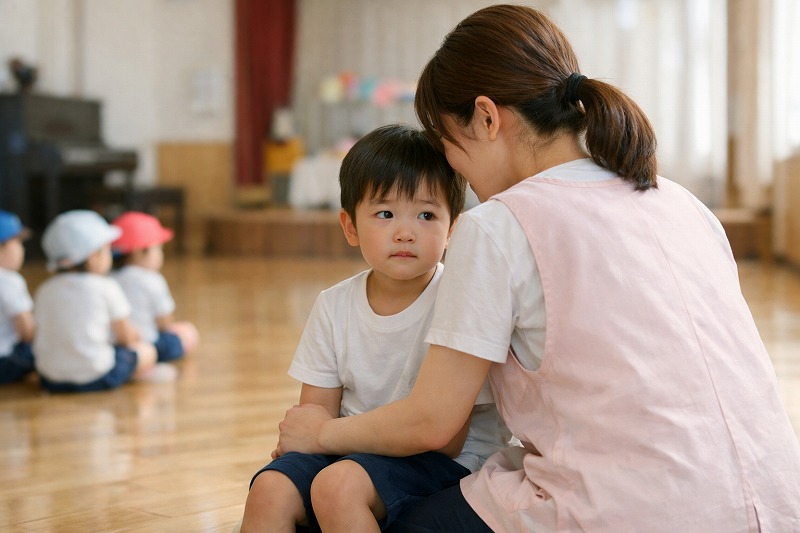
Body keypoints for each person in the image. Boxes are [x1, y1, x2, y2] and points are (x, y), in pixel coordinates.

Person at [276, 5, 800, 532]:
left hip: (631, 511)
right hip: (776, 503)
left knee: (370, 512)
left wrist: (318, 434)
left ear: (486, 117)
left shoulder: (499, 226)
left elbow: (433, 421)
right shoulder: (684, 203)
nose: (453, 166)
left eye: (447, 144)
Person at [239, 124, 511, 532]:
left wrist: (327, 437)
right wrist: (306, 440)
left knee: (339, 486)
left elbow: (445, 439)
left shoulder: (459, 299)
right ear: (350, 227)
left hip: (445, 462)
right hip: (348, 449)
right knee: (271, 488)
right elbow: (315, 415)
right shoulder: (333, 305)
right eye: (385, 214)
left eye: (426, 214)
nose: (405, 232)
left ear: (452, 228)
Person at [34, 210, 174, 393]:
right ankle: (139, 373)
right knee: (147, 351)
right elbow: (125, 337)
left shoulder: (44, 290)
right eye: (107, 249)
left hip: (50, 380)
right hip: (97, 377)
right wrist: (136, 336)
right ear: (93, 258)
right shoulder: (106, 287)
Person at [111, 211, 198, 362]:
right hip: (149, 343)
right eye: (159, 248)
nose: (161, 255)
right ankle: (151, 362)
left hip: (118, 344)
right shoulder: (153, 280)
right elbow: (164, 323)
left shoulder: (109, 278)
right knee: (187, 333)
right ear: (139, 252)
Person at [0, 210, 36, 384]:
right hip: (5, 361)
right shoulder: (9, 280)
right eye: (17, 243)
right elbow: (26, 330)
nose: (21, 250)